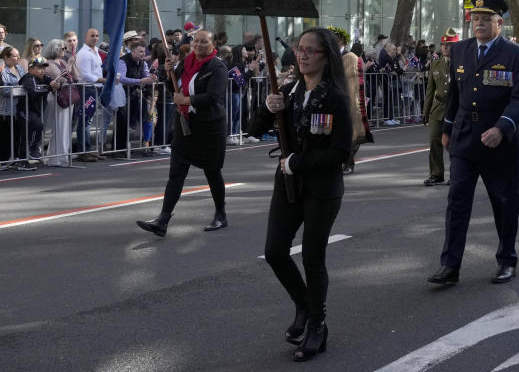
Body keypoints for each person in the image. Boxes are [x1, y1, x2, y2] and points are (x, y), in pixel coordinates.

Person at [246, 28, 353, 362]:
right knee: (275, 251)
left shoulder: (335, 96)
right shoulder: (288, 91)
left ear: (325, 57)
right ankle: (304, 304)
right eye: (299, 49)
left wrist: (299, 161)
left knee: (312, 256)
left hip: (321, 188)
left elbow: (341, 151)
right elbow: (253, 130)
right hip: (288, 185)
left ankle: (317, 326)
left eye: (310, 51)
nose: (302, 55)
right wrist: (267, 107)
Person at [427, 0, 519, 286]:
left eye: (486, 19)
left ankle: (507, 260)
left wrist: (502, 128)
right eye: (475, 19)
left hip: (499, 143)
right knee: (457, 204)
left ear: (500, 23)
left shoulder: (516, 55)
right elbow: (455, 97)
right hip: (465, 139)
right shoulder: (459, 51)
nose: (479, 24)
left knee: (504, 203)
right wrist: (447, 130)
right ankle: (450, 266)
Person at [136, 30, 229, 237]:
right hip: (185, 125)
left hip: (210, 127)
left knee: (212, 172)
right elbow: (174, 87)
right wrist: (169, 71)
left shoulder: (218, 66)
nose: (198, 45)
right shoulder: (186, 62)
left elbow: (214, 97)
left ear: (213, 44)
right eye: (196, 41)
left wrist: (187, 101)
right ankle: (163, 219)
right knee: (176, 173)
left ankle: (220, 214)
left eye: (204, 41)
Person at [332, 27, 371, 174]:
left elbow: (355, 83)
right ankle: (342, 161)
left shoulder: (351, 58)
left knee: (354, 134)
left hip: (349, 100)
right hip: (334, 100)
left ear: (341, 40)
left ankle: (348, 162)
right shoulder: (331, 56)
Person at [423, 29, 458, 185]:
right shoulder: (435, 64)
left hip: (456, 108)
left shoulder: (463, 63)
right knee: (434, 141)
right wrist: (426, 112)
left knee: (454, 144)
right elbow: (430, 90)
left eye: (449, 45)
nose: (445, 48)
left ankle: (456, 175)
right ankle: (436, 174)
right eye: (443, 44)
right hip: (438, 108)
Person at [19, 57, 65, 162]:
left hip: (36, 111)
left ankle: (30, 153)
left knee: (38, 127)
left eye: (44, 68)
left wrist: (57, 85)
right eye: (39, 68)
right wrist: (49, 87)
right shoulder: (28, 78)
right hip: (25, 110)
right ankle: (27, 154)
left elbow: (54, 82)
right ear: (31, 69)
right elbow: (34, 92)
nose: (42, 70)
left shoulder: (43, 77)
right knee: (34, 127)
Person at [74, 29, 105, 159]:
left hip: (94, 88)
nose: (95, 38)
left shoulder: (96, 51)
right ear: (85, 37)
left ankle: (87, 148)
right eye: (92, 36)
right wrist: (101, 80)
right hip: (87, 89)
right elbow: (85, 74)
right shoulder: (84, 53)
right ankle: (83, 150)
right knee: (84, 120)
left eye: (97, 36)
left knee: (88, 120)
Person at [44, 39, 75, 166]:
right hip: (57, 98)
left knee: (65, 128)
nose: (64, 51)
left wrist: (72, 64)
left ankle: (63, 156)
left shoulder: (62, 61)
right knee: (58, 127)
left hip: (67, 97)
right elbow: (62, 78)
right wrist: (69, 67)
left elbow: (74, 76)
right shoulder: (50, 63)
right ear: (55, 49)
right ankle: (55, 158)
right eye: (62, 48)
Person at [1, 47, 26, 169]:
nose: (18, 58)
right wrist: (22, 90)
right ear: (6, 57)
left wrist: (20, 90)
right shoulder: (3, 71)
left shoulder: (20, 68)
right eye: (15, 56)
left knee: (17, 133)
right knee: (6, 135)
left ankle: (15, 157)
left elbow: (27, 84)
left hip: (20, 107)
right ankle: (4, 160)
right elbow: (5, 90)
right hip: (7, 109)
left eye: (18, 55)